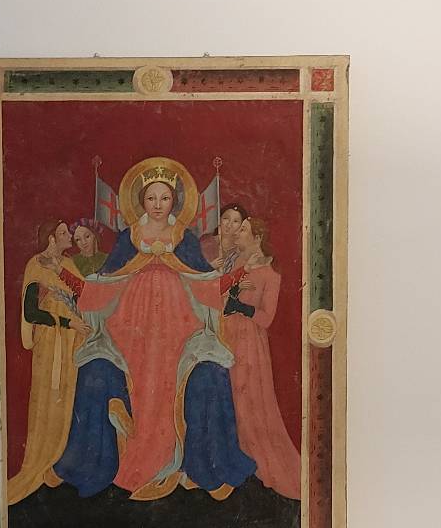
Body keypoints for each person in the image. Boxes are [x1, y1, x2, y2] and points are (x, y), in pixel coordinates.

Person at [54, 158, 255, 501]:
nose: (158, 205)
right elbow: (106, 279)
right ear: (141, 202)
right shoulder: (128, 237)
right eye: (151, 198)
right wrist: (71, 279)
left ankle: (195, 466)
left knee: (205, 375)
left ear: (174, 201)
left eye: (164, 198)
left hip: (180, 328)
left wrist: (233, 275)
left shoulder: (184, 238)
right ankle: (117, 454)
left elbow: (204, 279)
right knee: (106, 373)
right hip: (131, 329)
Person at [218, 217, 300, 499]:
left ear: (257, 237)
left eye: (242, 229)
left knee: (247, 403)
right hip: (226, 338)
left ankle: (255, 468)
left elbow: (267, 318)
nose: (237, 232)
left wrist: (240, 307)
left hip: (249, 344)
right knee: (228, 401)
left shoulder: (270, 274)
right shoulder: (236, 265)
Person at [5, 220, 84, 504]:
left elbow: (85, 296)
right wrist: (67, 322)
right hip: (50, 341)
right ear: (51, 238)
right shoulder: (36, 265)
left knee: (68, 398)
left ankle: (59, 464)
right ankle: (40, 461)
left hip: (72, 343)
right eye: (63, 233)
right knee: (48, 397)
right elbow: (31, 313)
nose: (69, 236)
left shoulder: (70, 264)